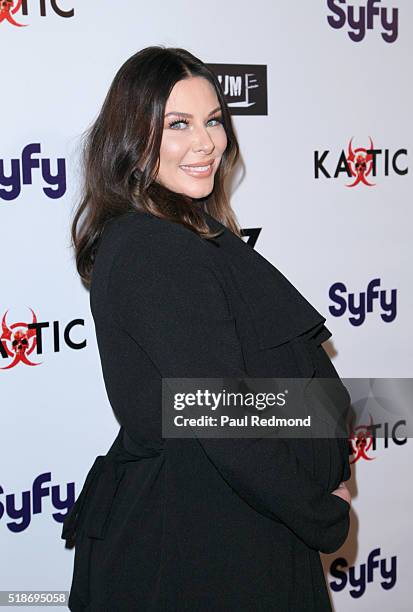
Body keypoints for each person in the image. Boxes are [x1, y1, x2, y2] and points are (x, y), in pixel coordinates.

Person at [62, 46, 352, 611]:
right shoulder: (154, 249)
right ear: (133, 140)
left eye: (214, 120)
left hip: (233, 530)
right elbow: (221, 415)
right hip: (201, 552)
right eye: (178, 125)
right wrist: (324, 513)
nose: (207, 143)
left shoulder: (185, 233)